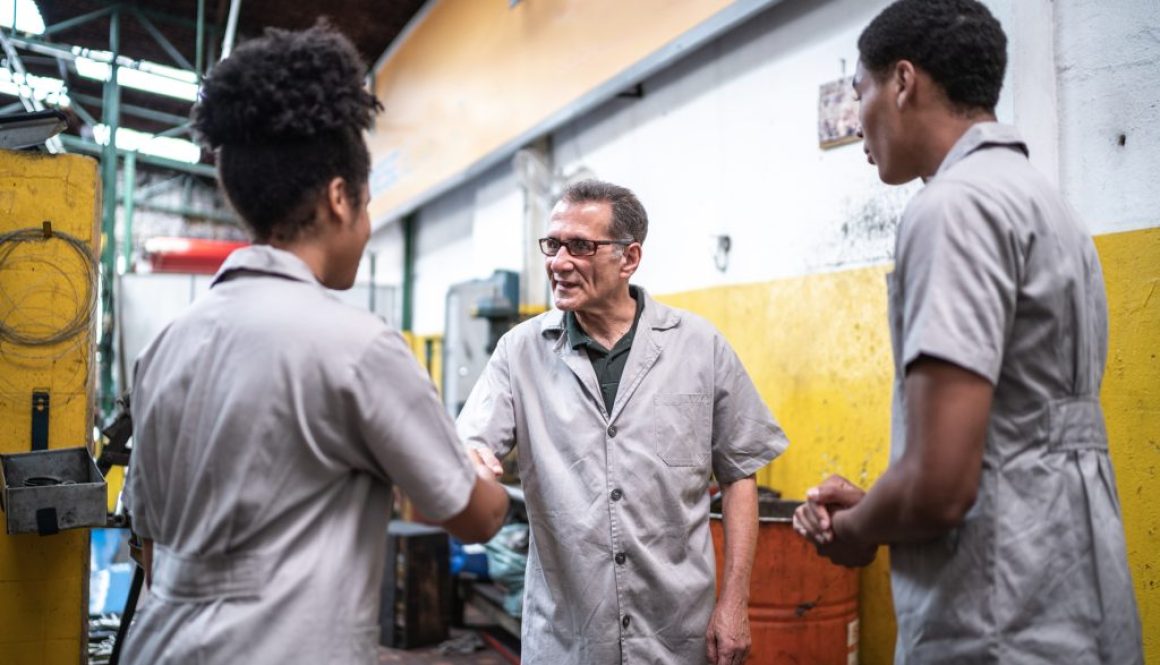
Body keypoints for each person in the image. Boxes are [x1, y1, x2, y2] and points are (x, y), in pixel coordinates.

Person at [120, 24, 508, 664]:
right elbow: (474, 518)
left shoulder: (164, 346)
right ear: (338, 198)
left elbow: (148, 539)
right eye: (366, 204)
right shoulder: (356, 346)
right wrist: (474, 470)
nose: (367, 226)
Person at [792, 1, 1144, 663]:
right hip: (1069, 592)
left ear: (902, 82)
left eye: (860, 92)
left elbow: (940, 487)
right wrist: (881, 502)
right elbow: (1016, 441)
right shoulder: (1044, 203)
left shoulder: (950, 209)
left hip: (994, 612)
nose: (858, 122)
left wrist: (859, 529)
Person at [459, 179, 788, 664]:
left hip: (676, 633)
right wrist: (471, 458)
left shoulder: (699, 347)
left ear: (628, 259)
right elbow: (473, 441)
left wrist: (735, 603)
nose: (558, 262)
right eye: (552, 245)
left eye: (580, 247)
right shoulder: (520, 352)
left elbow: (739, 474)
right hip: (568, 638)